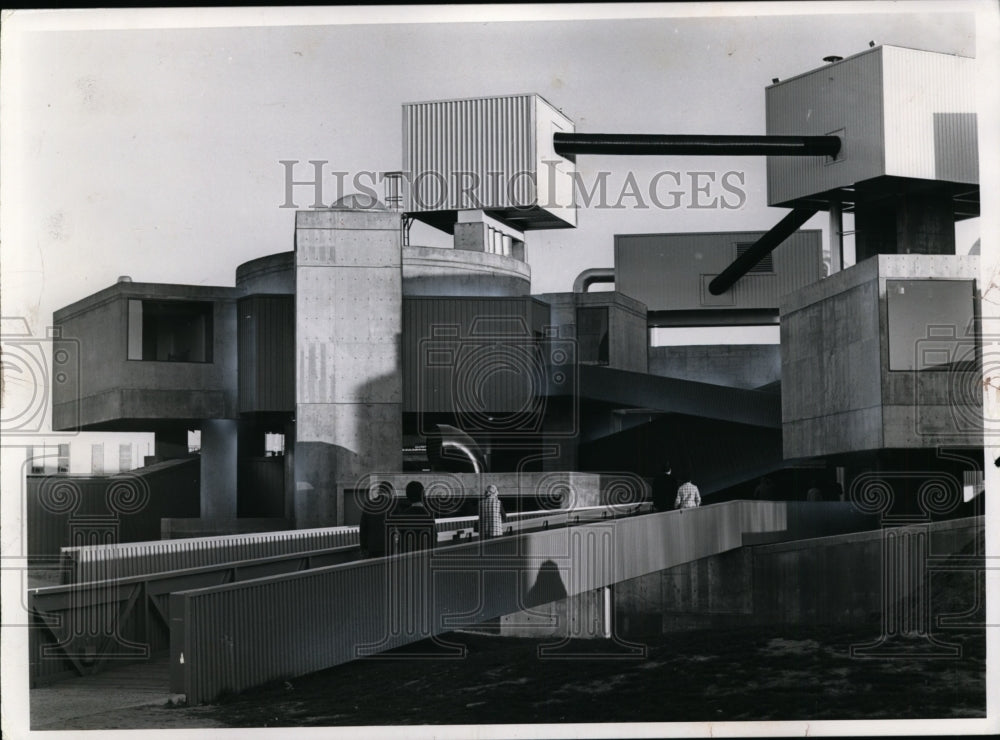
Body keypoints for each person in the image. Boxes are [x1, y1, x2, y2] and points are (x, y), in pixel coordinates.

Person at [387, 480, 436, 554]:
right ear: (422, 495)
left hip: (408, 557)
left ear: (408, 496)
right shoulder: (429, 515)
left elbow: (400, 539)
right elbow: (433, 538)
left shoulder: (403, 515)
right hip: (425, 556)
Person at [358, 480, 395, 558]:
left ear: (379, 491)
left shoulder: (368, 504)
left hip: (372, 547)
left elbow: (363, 527)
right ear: (390, 491)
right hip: (388, 547)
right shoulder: (392, 505)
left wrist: (363, 547)